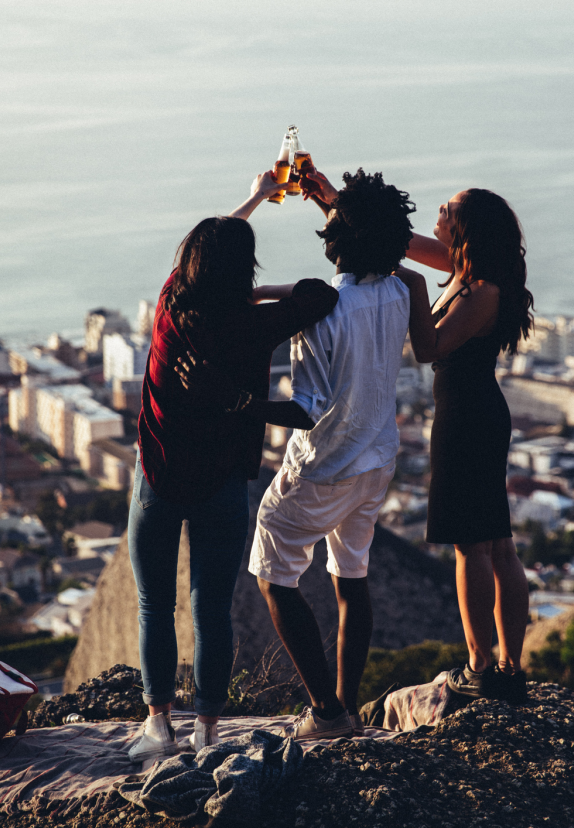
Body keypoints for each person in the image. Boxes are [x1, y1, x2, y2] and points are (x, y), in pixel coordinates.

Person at [126, 171, 339, 764]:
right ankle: (208, 731)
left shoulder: (171, 304)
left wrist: (256, 195)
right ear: (239, 275)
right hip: (221, 483)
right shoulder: (254, 325)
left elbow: (213, 249)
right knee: (210, 609)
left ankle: (158, 724)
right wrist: (262, 292)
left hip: (159, 477)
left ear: (187, 263)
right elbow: (321, 295)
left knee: (153, 606)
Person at [248, 169, 415, 740]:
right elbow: (362, 246)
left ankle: (324, 712)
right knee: (352, 576)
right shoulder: (397, 291)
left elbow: (305, 409)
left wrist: (242, 407)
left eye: (334, 224)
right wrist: (330, 204)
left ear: (339, 240)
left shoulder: (320, 316)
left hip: (322, 467)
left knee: (274, 575)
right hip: (377, 460)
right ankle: (343, 706)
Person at [393, 188, 534, 703]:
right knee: (495, 543)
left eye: (448, 210)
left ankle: (482, 666)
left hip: (468, 418)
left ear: (466, 227)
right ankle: (509, 668)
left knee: (475, 546)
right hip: (475, 414)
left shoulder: (482, 292)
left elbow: (427, 348)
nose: (439, 213)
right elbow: (399, 240)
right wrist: (328, 197)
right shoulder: (463, 270)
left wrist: (409, 286)